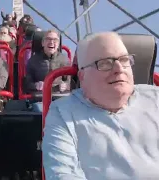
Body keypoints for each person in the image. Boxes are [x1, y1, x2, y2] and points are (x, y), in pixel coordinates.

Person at [42, 32, 159, 179]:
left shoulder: (156, 98)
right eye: (105, 63)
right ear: (82, 77)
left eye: (124, 60)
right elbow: (62, 174)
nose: (119, 68)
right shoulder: (63, 113)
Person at [24, 29, 70, 112]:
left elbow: (69, 81)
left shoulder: (64, 60)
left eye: (55, 40)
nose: (52, 42)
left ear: (58, 43)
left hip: (59, 98)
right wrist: (35, 85)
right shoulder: (33, 61)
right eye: (48, 39)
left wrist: (65, 85)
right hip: (40, 98)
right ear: (42, 43)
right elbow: (27, 83)